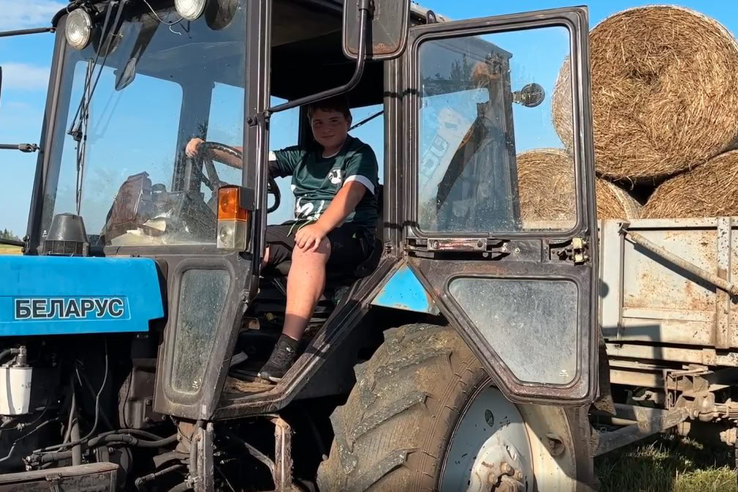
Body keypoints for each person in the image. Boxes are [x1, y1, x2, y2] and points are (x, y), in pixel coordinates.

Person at [186, 96, 379, 382]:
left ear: (348, 122)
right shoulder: (303, 155)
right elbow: (251, 159)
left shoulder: (359, 154)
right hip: (301, 228)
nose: (326, 128)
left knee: (309, 246)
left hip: (351, 234)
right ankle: (221, 339)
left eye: (334, 121)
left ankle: (286, 347)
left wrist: (320, 228)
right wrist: (209, 149)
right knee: (243, 242)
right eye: (318, 123)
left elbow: (352, 194)